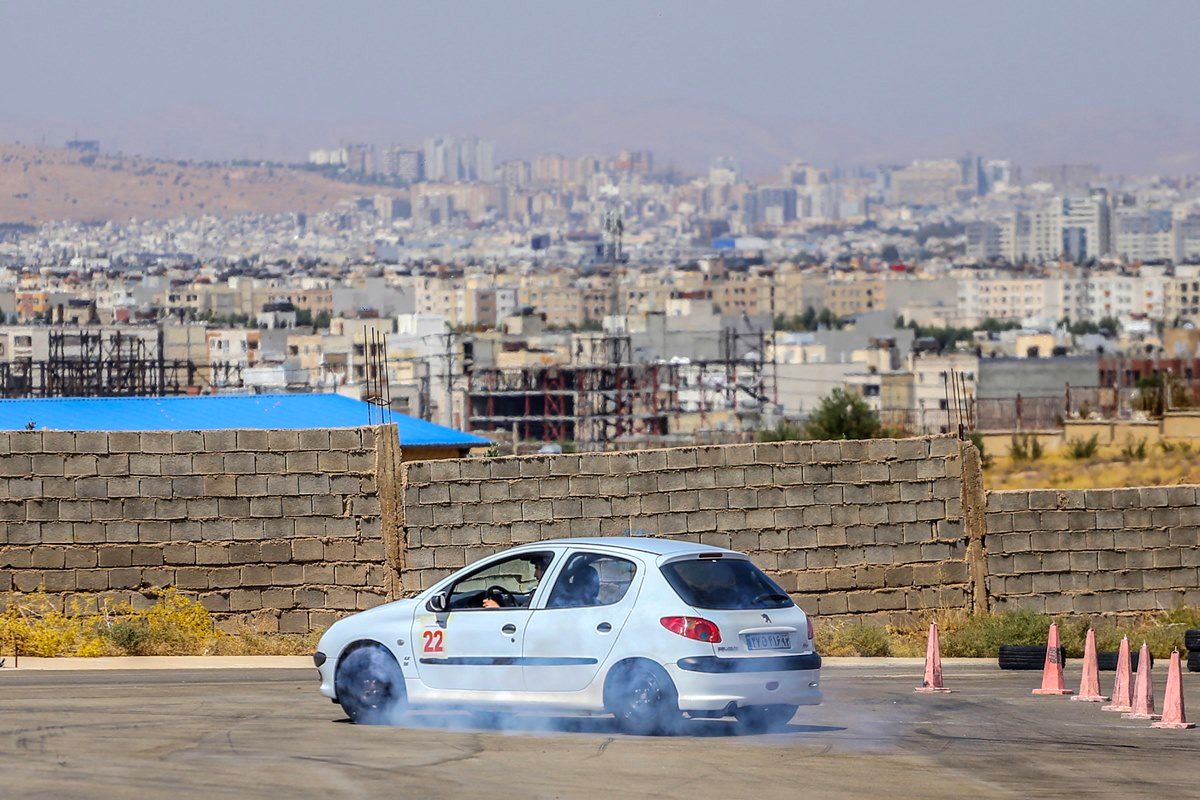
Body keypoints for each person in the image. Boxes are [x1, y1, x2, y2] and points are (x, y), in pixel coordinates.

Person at [481, 555, 550, 608]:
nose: (535, 574)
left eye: (537, 568)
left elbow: (523, 620)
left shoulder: (550, 596)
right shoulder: (545, 593)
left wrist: (497, 609)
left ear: (546, 571)